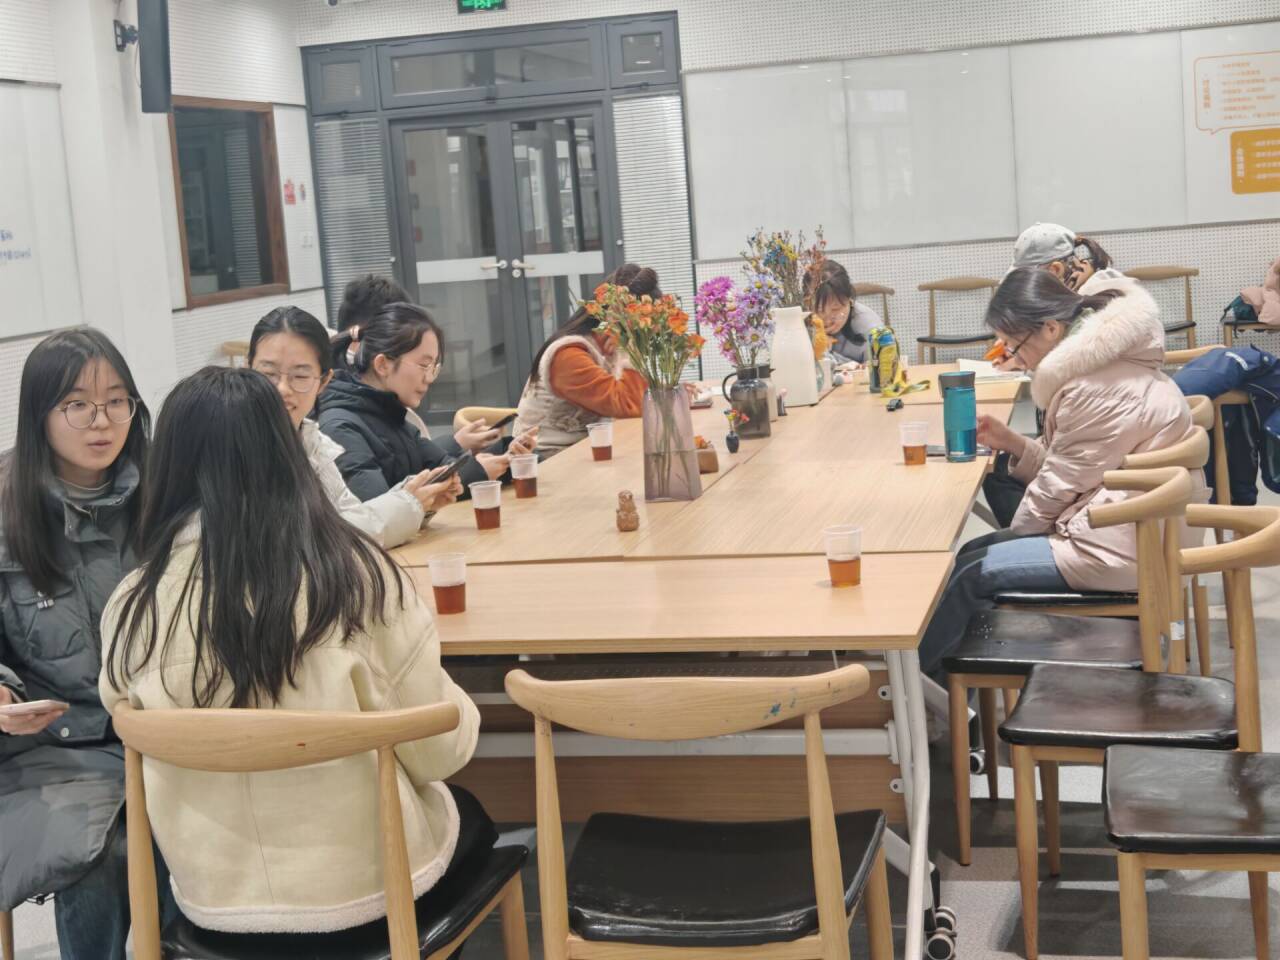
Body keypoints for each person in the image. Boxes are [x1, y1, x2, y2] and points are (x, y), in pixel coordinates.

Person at [99, 366, 484, 936]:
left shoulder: (134, 605)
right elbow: (439, 753)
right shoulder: (355, 575)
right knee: (471, 815)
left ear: (168, 468)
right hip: (371, 898)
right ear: (286, 453)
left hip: (212, 904)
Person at [919, 268, 1203, 679]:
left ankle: (922, 699)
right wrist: (1014, 443)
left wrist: (1018, 535)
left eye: (1014, 345)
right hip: (1127, 527)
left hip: (1124, 545)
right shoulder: (1107, 364)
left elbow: (1059, 485)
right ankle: (948, 691)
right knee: (971, 554)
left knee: (970, 574)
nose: (1013, 357)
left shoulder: (1096, 387)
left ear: (1051, 328)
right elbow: (1072, 466)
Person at [0, 329, 176, 959]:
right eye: (77, 404)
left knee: (193, 832)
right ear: (39, 414)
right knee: (105, 853)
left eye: (116, 401)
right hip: (52, 751)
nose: (101, 421)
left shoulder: (167, 491)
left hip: (165, 733)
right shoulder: (6, 508)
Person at [248, 306, 461, 548]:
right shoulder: (234, 440)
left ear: (323, 382)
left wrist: (417, 503)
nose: (282, 389)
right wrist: (410, 504)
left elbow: (349, 520)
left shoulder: (314, 443)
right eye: (268, 374)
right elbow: (305, 543)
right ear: (247, 369)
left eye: (300, 376)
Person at [983, 224, 1124, 526]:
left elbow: (1068, 479)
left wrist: (1032, 355)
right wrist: (1024, 349)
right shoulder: (1080, 311)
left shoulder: (1097, 320)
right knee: (999, 469)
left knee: (999, 485)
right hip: (1091, 492)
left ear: (1056, 270)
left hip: (1100, 513)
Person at [319, 302, 533, 500]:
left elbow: (443, 466)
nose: (429, 378)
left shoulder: (390, 412)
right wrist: (478, 471)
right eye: (423, 365)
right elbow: (380, 509)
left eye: (434, 368)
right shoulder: (340, 427)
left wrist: (504, 457)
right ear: (383, 364)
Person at [337, 274, 499, 452]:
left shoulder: (383, 399)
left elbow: (410, 457)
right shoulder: (342, 419)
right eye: (423, 365)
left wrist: (456, 446)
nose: (428, 379)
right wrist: (455, 445)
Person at [514, 264, 656, 455]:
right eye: (647, 321)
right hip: (548, 457)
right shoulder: (568, 355)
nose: (650, 331)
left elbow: (634, 399)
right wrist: (630, 349)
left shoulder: (610, 345)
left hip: (585, 451)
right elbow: (629, 406)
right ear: (616, 315)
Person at [803, 260, 880, 366]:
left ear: (850, 300)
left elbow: (881, 368)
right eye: (819, 310)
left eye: (835, 309)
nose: (827, 319)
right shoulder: (800, 322)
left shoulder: (869, 327)